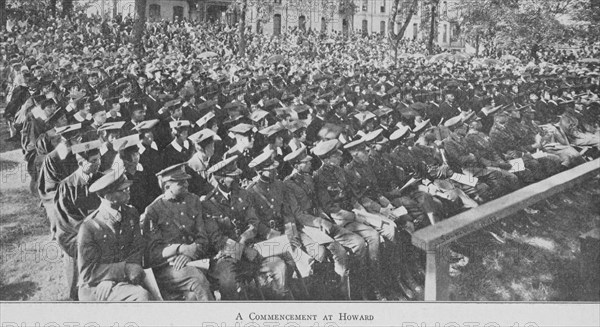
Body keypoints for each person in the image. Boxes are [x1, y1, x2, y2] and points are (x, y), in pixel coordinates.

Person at [141, 163, 228, 301]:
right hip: (168, 268)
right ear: (167, 186)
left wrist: (191, 254)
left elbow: (203, 238)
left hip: (197, 259)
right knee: (197, 279)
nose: (187, 184)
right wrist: (180, 249)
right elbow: (152, 254)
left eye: (186, 180)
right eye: (181, 182)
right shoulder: (153, 211)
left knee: (222, 278)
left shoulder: (193, 200)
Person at [77, 169, 150, 301]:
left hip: (127, 278)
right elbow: (87, 273)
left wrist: (124, 273)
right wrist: (121, 272)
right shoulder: (90, 226)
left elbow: (138, 248)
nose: (128, 190)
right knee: (141, 297)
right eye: (122, 189)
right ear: (108, 196)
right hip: (97, 286)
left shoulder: (131, 212)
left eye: (127, 187)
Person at [53, 139, 103, 300]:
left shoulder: (103, 179)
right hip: (76, 234)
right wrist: (90, 231)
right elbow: (66, 219)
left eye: (100, 159)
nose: (98, 163)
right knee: (78, 271)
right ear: (81, 163)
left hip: (104, 231)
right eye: (93, 161)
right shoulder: (66, 186)